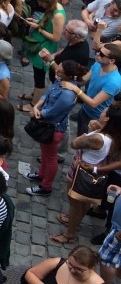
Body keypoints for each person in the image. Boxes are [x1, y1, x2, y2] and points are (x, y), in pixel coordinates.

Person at [54, 102, 121, 245]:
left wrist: (90, 130)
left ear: (108, 119)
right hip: (96, 173)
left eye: (104, 111)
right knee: (84, 202)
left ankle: (69, 234)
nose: (102, 112)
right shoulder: (115, 137)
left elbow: (75, 143)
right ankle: (74, 222)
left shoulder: (97, 138)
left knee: (75, 203)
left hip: (81, 172)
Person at [24, 60, 83, 197]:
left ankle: (46, 186)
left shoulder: (68, 94)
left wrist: (37, 112)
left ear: (68, 75)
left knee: (50, 157)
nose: (57, 70)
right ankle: (41, 174)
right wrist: (37, 105)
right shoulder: (61, 81)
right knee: (45, 153)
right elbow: (47, 93)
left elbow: (53, 112)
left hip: (53, 128)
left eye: (60, 70)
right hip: (47, 123)